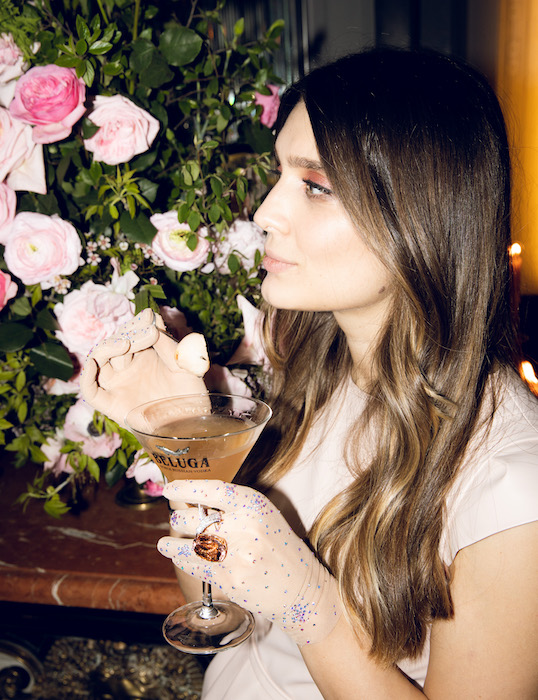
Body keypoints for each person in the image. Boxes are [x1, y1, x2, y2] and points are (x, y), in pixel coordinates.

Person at [81, 47, 538, 698]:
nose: (265, 213)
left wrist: (312, 603)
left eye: (316, 185)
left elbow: (290, 606)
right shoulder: (318, 375)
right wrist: (186, 439)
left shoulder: (513, 488)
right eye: (279, 174)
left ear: (421, 215)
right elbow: (217, 602)